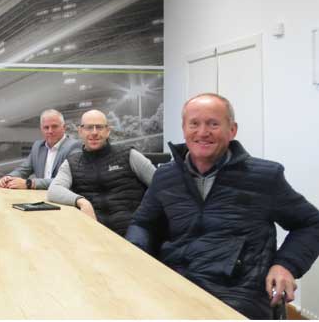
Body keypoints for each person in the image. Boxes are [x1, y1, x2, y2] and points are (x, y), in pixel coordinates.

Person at [126, 93, 319, 319]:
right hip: (175, 285)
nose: (202, 132)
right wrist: (134, 255)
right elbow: (143, 224)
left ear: (232, 130)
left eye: (213, 124)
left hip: (239, 295)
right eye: (194, 124)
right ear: (184, 128)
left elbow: (311, 223)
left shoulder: (265, 177)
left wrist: (286, 265)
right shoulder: (166, 176)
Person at [46, 109, 156, 236]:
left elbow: (161, 185)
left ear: (108, 131)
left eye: (99, 127)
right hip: (94, 232)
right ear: (80, 131)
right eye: (89, 128)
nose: (94, 132)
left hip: (133, 231)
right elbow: (54, 190)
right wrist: (82, 202)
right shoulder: (72, 163)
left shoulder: (129, 155)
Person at [0, 109, 79, 190]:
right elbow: (24, 169)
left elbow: (65, 180)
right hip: (39, 195)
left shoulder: (74, 146)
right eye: (46, 127)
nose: (50, 131)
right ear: (41, 129)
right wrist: (9, 177)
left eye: (54, 126)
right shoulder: (38, 146)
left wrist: (30, 183)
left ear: (64, 128)